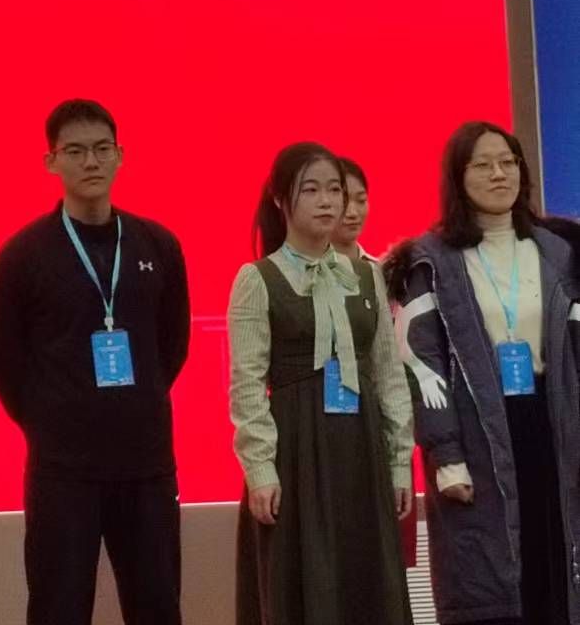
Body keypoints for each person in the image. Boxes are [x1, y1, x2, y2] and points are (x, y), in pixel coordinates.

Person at [0, 99, 190, 625]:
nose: (91, 162)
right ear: (51, 162)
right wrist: (52, 417)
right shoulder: (22, 256)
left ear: (120, 155)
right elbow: (0, 360)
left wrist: (137, 400)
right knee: (58, 607)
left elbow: (172, 345)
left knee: (157, 606)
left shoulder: (158, 245)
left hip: (146, 463)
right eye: (75, 151)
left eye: (101, 149)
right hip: (63, 469)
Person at [386, 122, 580, 625]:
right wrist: (446, 454)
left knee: (557, 568)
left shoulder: (558, 252)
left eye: (508, 162)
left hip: (553, 423)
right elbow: (421, 362)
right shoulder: (430, 261)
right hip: (478, 433)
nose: (500, 174)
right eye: (484, 164)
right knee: (492, 579)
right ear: (458, 177)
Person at [229, 143, 412, 625]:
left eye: (335, 190)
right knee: (301, 581)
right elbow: (247, 384)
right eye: (310, 190)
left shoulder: (367, 275)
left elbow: (388, 374)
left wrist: (399, 463)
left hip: (361, 447)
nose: (328, 201)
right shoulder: (258, 278)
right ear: (280, 199)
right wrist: (260, 470)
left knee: (368, 580)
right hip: (296, 450)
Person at [331, 157, 418, 571]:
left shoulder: (386, 274)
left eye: (361, 199)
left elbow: (395, 364)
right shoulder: (289, 274)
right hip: (326, 428)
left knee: (384, 564)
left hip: (380, 426)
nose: (352, 211)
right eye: (342, 199)